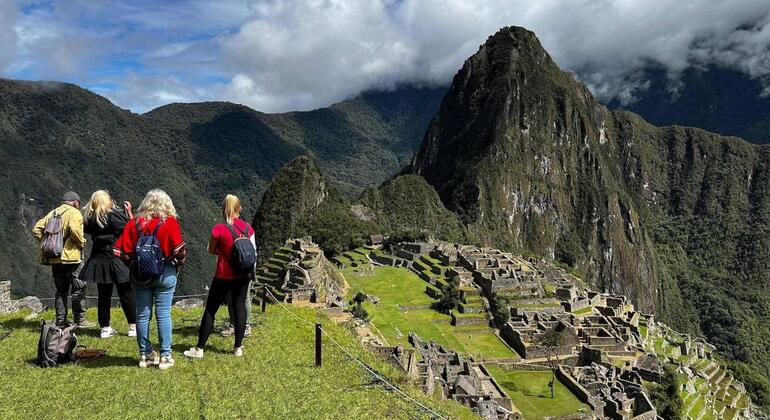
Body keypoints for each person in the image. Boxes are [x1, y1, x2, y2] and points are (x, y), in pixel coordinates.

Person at [115, 189, 186, 370]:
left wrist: (133, 265)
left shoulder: (134, 223)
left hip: (140, 276)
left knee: (142, 314)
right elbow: (180, 251)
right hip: (165, 273)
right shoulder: (169, 222)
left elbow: (119, 252)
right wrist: (177, 264)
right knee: (163, 314)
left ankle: (144, 355)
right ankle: (165, 356)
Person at [185, 194, 255, 359]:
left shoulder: (219, 229)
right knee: (239, 308)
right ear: (239, 209)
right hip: (243, 274)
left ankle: (200, 348)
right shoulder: (248, 228)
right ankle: (238, 348)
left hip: (224, 275)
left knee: (211, 309)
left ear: (224, 209)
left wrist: (222, 250)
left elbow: (211, 249)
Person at [81, 190, 137, 339]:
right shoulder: (112, 216)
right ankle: (133, 326)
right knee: (126, 292)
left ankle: (105, 327)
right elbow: (129, 228)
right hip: (115, 258)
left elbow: (86, 229)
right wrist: (128, 212)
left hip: (98, 258)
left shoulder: (90, 218)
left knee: (103, 294)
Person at [32, 191, 93, 327]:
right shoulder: (74, 213)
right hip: (72, 258)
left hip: (55, 257)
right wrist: (81, 242)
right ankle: (80, 319)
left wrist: (47, 243)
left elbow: (36, 229)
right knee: (78, 288)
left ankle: (61, 320)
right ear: (76, 202)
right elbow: (74, 229)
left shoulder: (53, 212)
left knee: (61, 290)